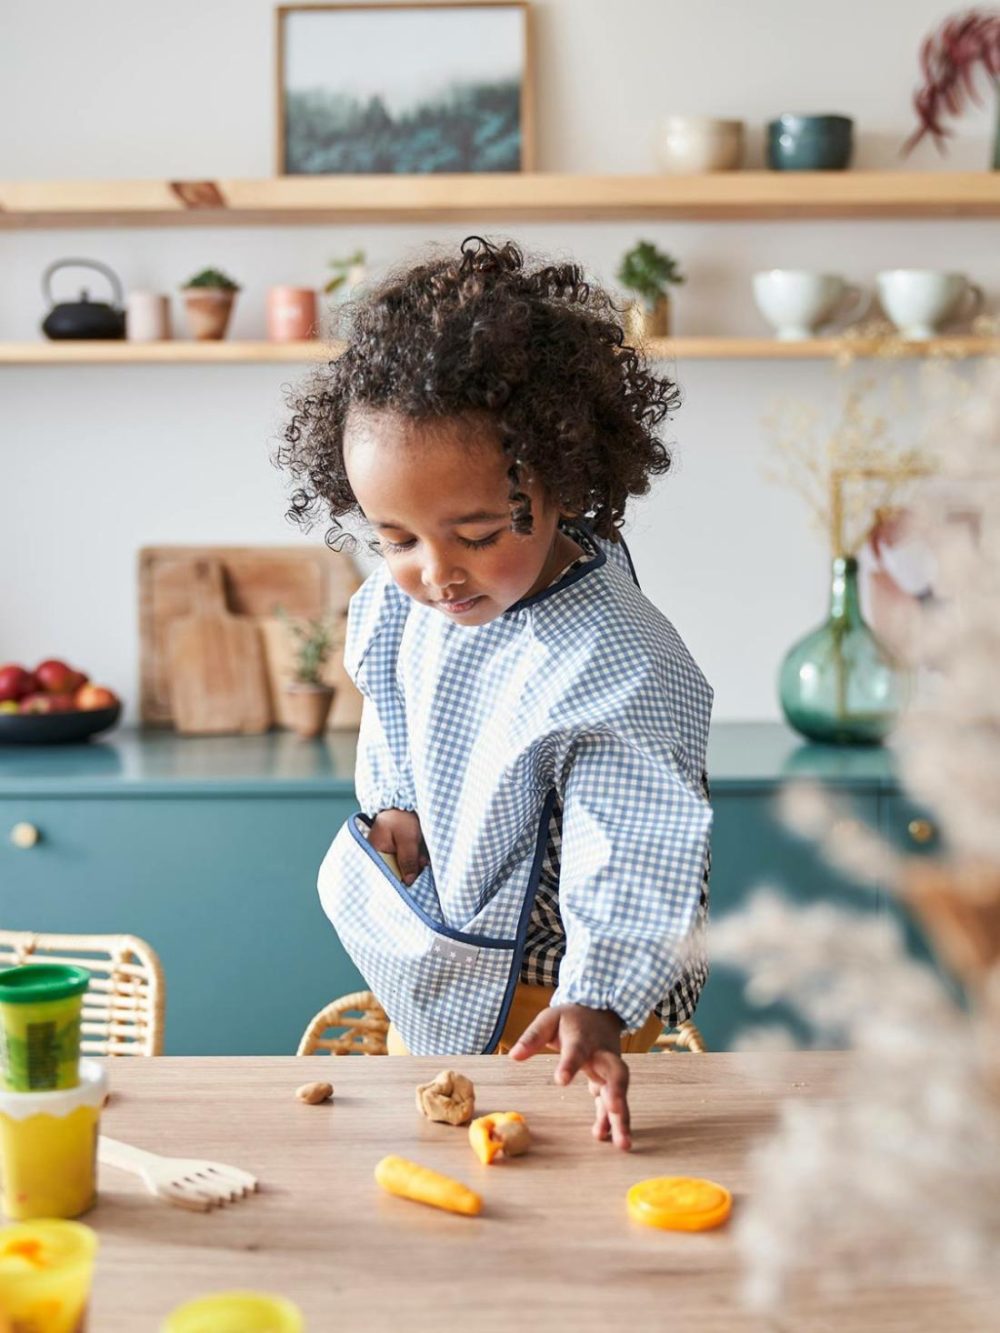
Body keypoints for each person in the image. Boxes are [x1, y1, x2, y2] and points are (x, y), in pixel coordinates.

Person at [278, 237, 713, 1150]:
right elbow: (392, 692)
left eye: (474, 532)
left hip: (556, 1001)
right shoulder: (408, 604)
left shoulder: (613, 653)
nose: (436, 573)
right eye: (395, 537)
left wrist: (598, 996)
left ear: (561, 480)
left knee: (542, 1196)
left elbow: (633, 836)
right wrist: (393, 797)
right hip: (439, 959)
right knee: (435, 1165)